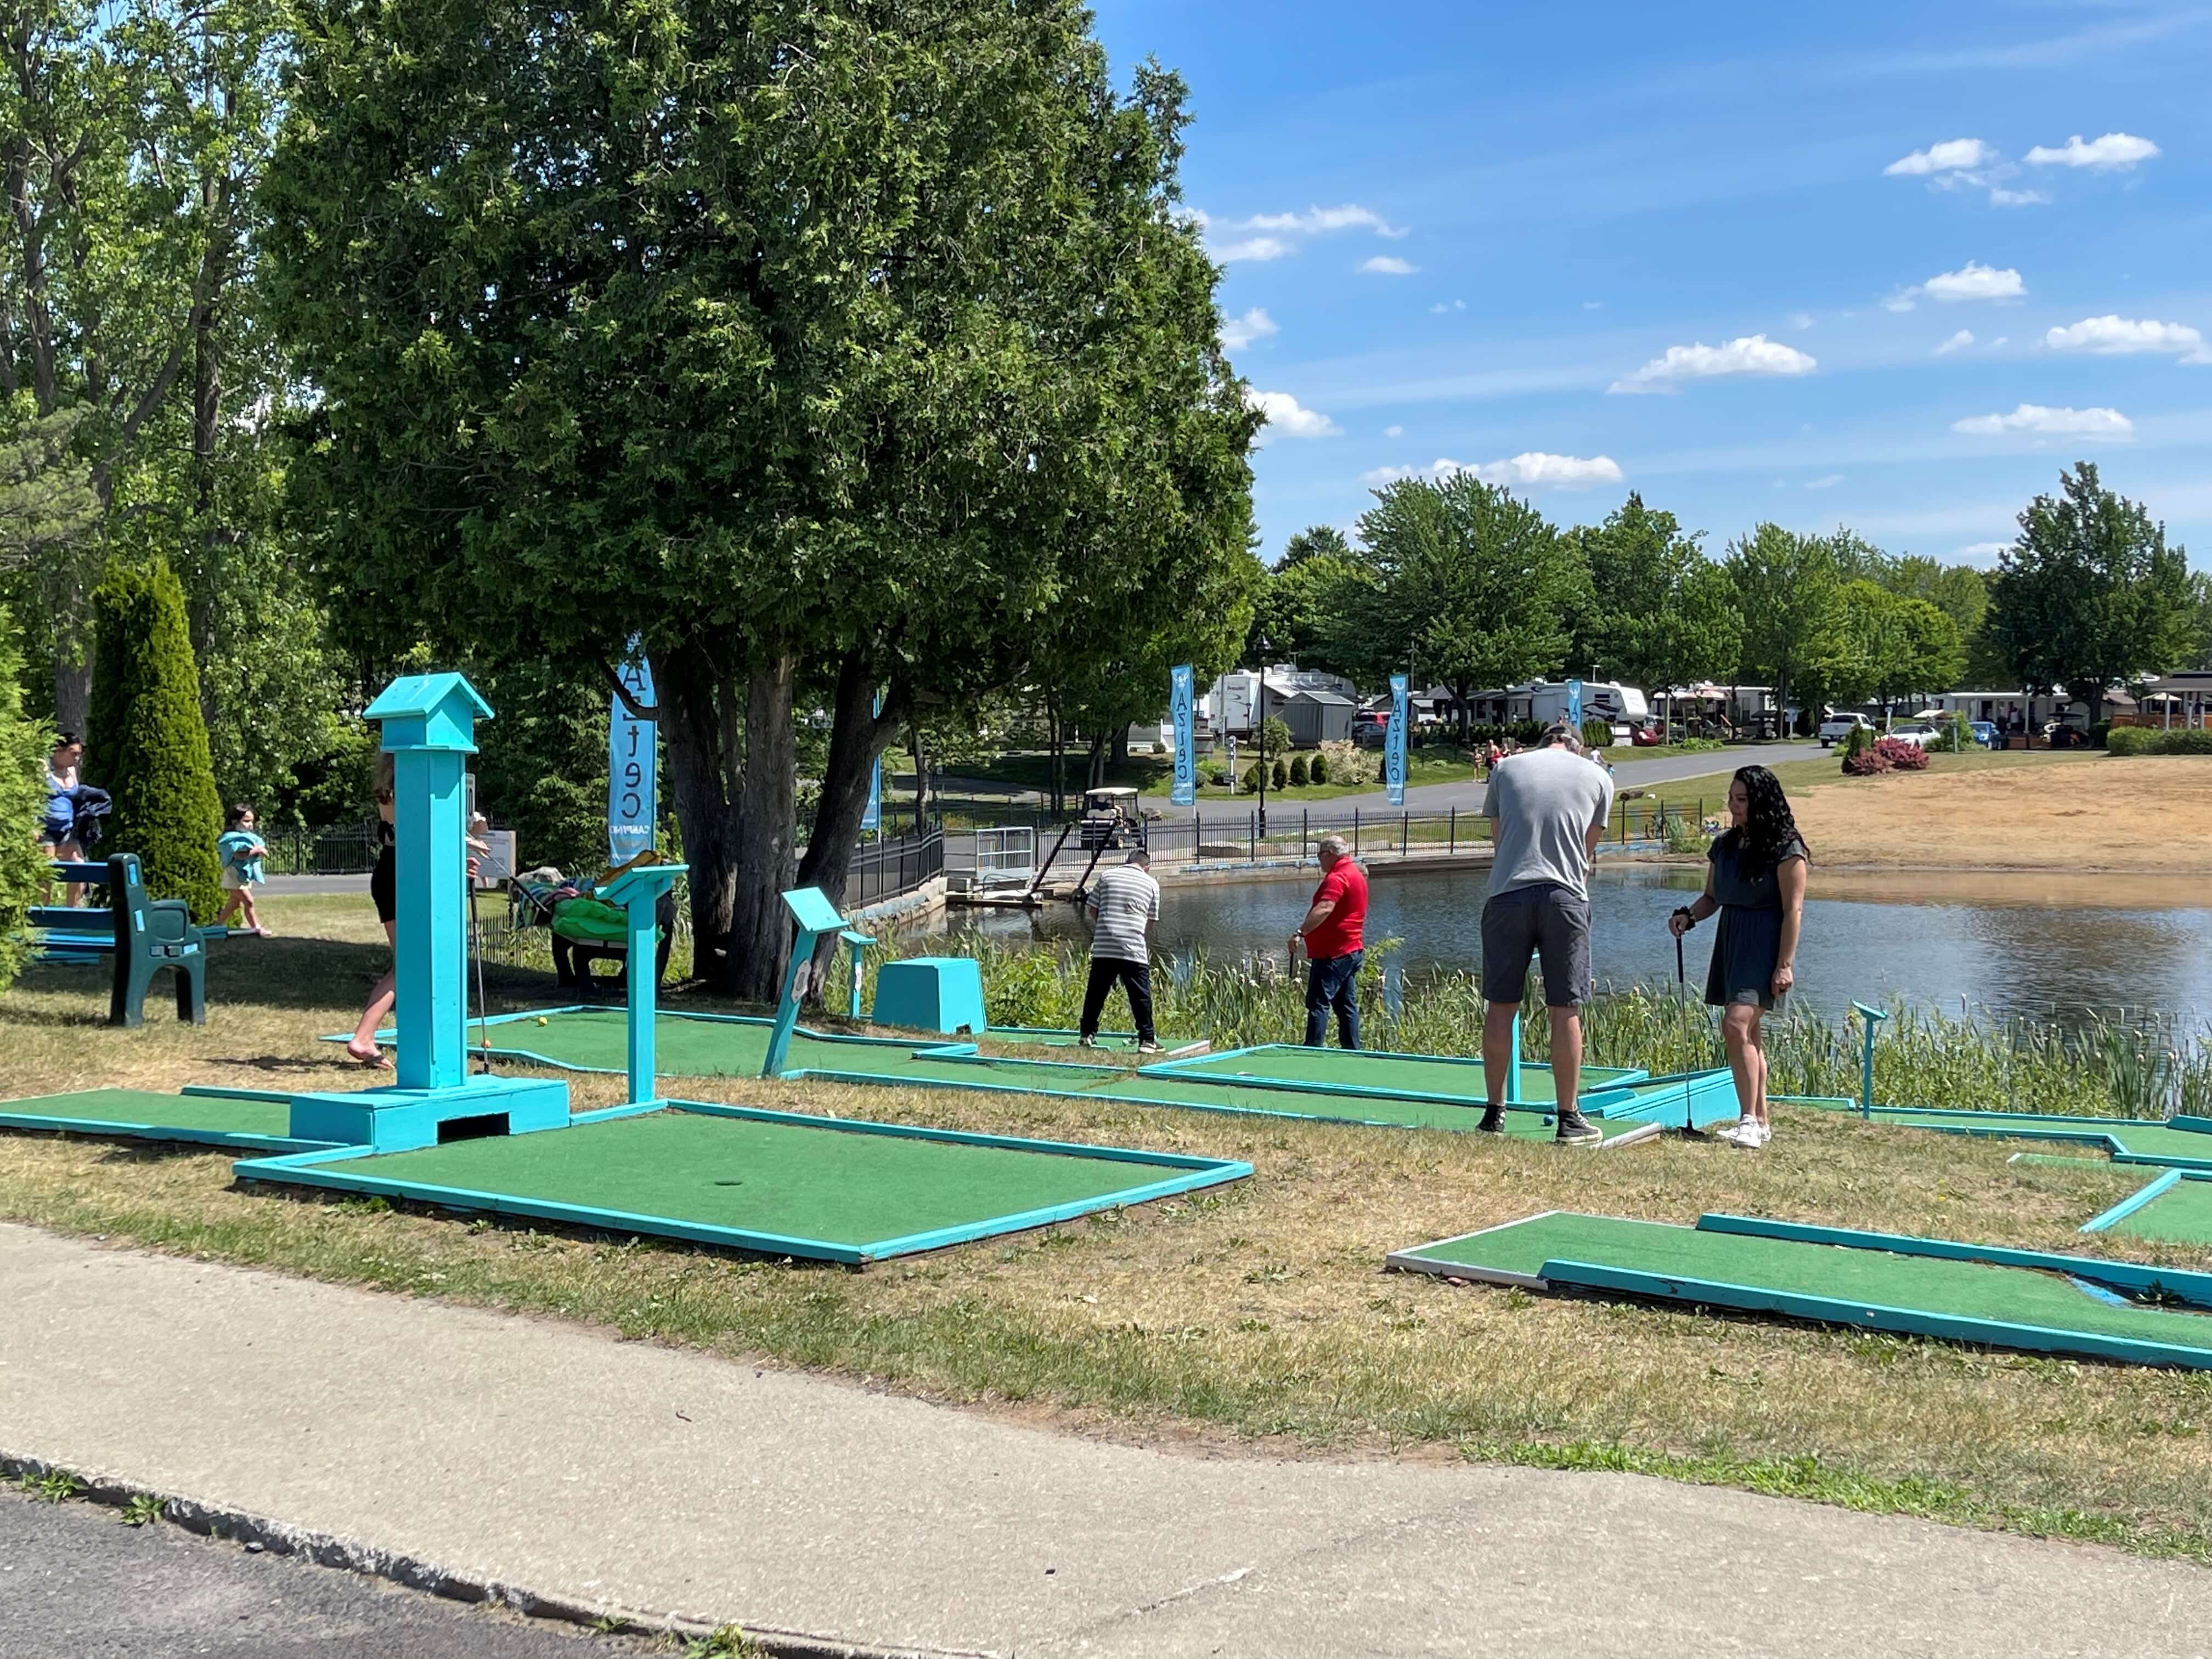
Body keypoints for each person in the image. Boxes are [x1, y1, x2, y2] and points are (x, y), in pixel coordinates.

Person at [1478, 723, 1613, 1147]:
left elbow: (1500, 842)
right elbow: (1586, 850)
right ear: (1577, 746)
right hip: (1566, 898)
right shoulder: (1599, 777)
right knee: (1565, 1008)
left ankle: (1494, 1113)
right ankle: (1568, 1118)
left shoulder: (1505, 769)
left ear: (1541, 742)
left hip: (1508, 893)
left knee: (1501, 1006)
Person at [1669, 766, 1809, 1149]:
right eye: (1731, 798)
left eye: (1742, 799)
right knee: (1749, 1033)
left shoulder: (1787, 847)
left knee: (1736, 1025)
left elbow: (1793, 910)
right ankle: (1760, 1121)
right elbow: (1712, 897)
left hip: (1766, 943)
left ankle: (1747, 1120)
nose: (1733, 806)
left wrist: (1785, 964)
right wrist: (1689, 916)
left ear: (1762, 801)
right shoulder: (1726, 845)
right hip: (1731, 938)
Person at [344, 753, 399, 1068]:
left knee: (406, 963)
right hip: (399, 874)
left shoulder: (387, 785)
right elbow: (418, 831)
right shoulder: (409, 784)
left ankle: (366, 1037)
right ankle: (363, 1038)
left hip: (387, 871)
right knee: (407, 966)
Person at [1078, 848, 1161, 1053]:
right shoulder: (1151, 883)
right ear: (1147, 866)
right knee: (1140, 994)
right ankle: (1147, 1040)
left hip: (1105, 945)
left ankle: (1087, 1034)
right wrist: (1137, 935)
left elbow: (1093, 909)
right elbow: (1150, 921)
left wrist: (1107, 927)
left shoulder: (1107, 876)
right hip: (1133, 946)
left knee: (1096, 992)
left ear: (1127, 861)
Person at [1290, 832, 1367, 1048]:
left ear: (1331, 854)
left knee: (1318, 1002)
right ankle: (1353, 1051)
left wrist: (1300, 933)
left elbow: (1325, 907)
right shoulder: (1355, 873)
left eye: (1320, 854)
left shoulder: (1338, 877)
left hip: (1333, 953)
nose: (1318, 859)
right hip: (1351, 950)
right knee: (1345, 1005)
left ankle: (1312, 1051)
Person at [40, 733, 85, 904]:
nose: (78, 758)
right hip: (46, 829)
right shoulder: (45, 769)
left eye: (79, 754)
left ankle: (72, 915)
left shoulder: (72, 771)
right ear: (60, 751)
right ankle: (42, 918)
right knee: (46, 875)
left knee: (79, 867)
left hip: (67, 829)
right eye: (74, 753)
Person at [216, 805, 273, 936]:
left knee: (234, 904)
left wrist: (260, 851)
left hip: (243, 874)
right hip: (234, 874)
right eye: (246, 821)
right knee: (249, 901)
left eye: (252, 821)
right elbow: (238, 855)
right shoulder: (230, 838)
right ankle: (257, 928)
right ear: (235, 822)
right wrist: (257, 851)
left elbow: (257, 850)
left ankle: (216, 926)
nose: (250, 825)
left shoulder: (251, 838)